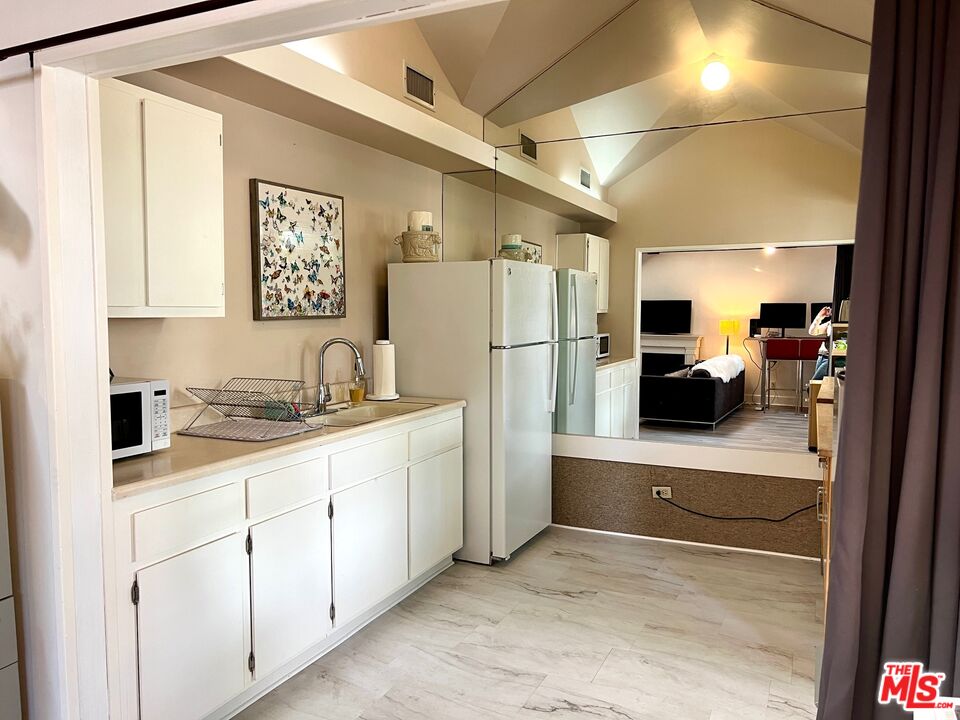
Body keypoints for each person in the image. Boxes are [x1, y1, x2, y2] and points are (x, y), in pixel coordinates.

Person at [809, 305, 832, 380]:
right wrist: (820, 316)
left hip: (829, 357)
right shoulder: (830, 323)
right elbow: (812, 331)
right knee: (816, 385)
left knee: (814, 386)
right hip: (821, 356)